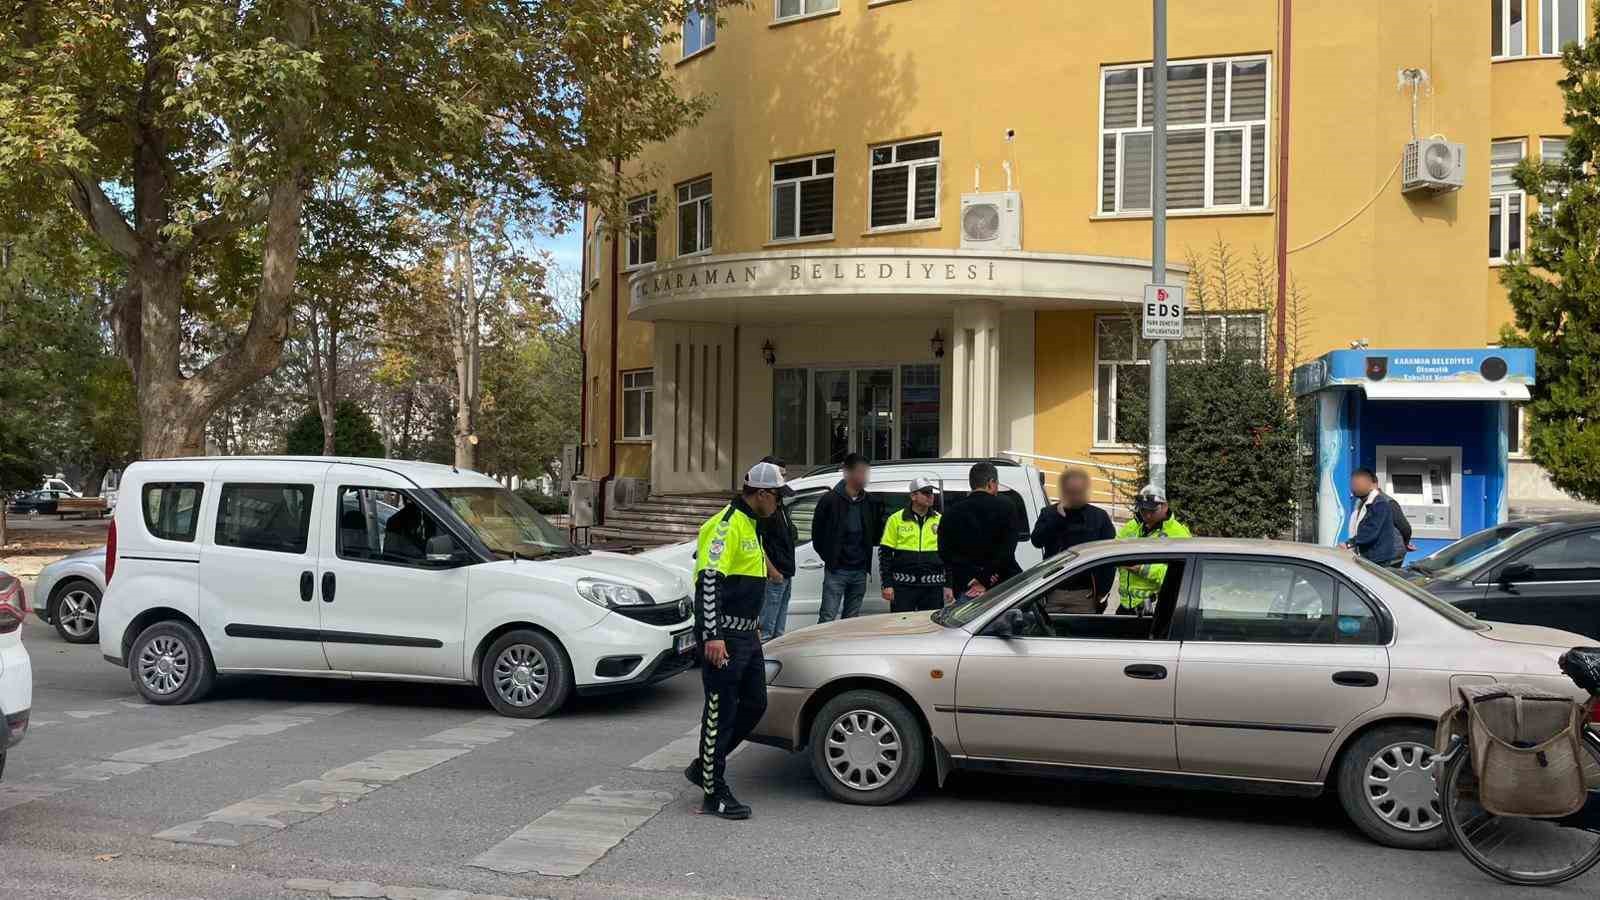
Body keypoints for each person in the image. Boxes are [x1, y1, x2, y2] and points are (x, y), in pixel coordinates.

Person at [683, 461, 790, 820]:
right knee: (720, 712)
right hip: (724, 635)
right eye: (777, 496)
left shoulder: (751, 524)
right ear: (761, 494)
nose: (779, 504)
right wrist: (712, 635)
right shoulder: (725, 526)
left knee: (755, 704)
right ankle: (714, 794)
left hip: (746, 632)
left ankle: (706, 767)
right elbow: (709, 583)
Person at [1031, 469, 1117, 613]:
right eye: (1071, 491)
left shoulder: (1098, 517)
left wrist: (1102, 592)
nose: (1075, 496)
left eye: (1079, 491)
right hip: (1053, 591)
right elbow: (1037, 541)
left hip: (1085, 594)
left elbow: (1109, 559)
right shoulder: (1050, 513)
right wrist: (1057, 517)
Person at [811, 453, 880, 622]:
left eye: (866, 472)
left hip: (860, 570)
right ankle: (823, 648)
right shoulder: (830, 500)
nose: (863, 476)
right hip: (837, 570)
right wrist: (830, 557)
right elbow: (817, 534)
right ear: (847, 473)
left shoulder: (869, 501)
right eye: (860, 472)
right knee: (828, 615)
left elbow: (874, 531)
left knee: (851, 619)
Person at [939, 462, 1022, 598]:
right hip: (1001, 585)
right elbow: (1007, 550)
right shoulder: (1006, 506)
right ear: (991, 483)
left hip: (966, 587)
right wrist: (985, 577)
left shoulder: (951, 512)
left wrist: (973, 577)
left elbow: (945, 553)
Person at [1115, 485, 1192, 615]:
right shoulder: (1132, 526)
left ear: (1165, 506)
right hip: (1126, 605)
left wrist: (1142, 568)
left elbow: (1184, 575)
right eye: (1143, 510)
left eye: (1152, 510)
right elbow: (1112, 551)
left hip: (1155, 609)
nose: (1147, 515)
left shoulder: (1178, 534)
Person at [878, 477, 952, 612]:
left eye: (931, 492)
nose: (930, 496)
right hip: (903, 586)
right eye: (925, 493)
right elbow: (885, 555)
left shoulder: (940, 520)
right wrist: (887, 584)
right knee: (901, 626)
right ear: (913, 496)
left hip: (933, 588)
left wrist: (949, 585)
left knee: (930, 628)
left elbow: (948, 555)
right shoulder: (896, 519)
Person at [756, 456, 798, 639]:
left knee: (779, 632)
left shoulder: (780, 504)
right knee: (767, 630)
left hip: (786, 573)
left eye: (785, 475)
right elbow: (757, 544)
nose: (784, 479)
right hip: (774, 576)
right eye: (780, 475)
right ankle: (763, 665)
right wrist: (773, 572)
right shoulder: (764, 508)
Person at [1347, 467, 1405, 567]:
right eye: (1354, 484)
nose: (1354, 487)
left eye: (1359, 483)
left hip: (1382, 558)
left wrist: (1349, 544)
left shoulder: (1382, 503)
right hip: (1370, 556)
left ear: (1373, 485)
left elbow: (1404, 527)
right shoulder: (1361, 503)